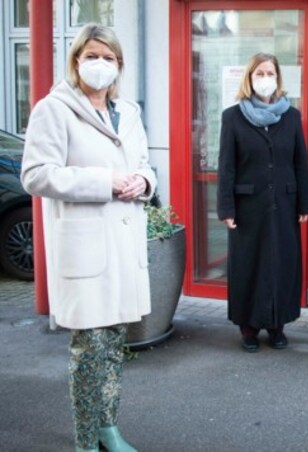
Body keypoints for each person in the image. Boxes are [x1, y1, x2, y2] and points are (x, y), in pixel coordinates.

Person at [21, 24, 155, 452]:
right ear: (77, 59)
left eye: (109, 57)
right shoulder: (54, 109)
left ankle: (109, 429)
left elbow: (145, 163)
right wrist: (106, 181)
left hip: (122, 244)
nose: (100, 64)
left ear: (119, 65)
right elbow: (36, 175)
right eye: (92, 55)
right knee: (89, 350)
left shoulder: (127, 111)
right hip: (85, 247)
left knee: (114, 346)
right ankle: (85, 441)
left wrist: (144, 183)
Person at [217, 53, 308, 353]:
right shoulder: (232, 117)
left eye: (270, 73)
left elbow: (300, 163)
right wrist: (226, 207)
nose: (265, 78)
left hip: (284, 204)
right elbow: (226, 166)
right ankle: (248, 328)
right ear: (249, 77)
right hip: (248, 208)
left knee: (281, 264)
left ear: (278, 79)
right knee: (250, 265)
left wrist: (304, 204)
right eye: (260, 73)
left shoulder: (291, 116)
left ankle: (277, 325)